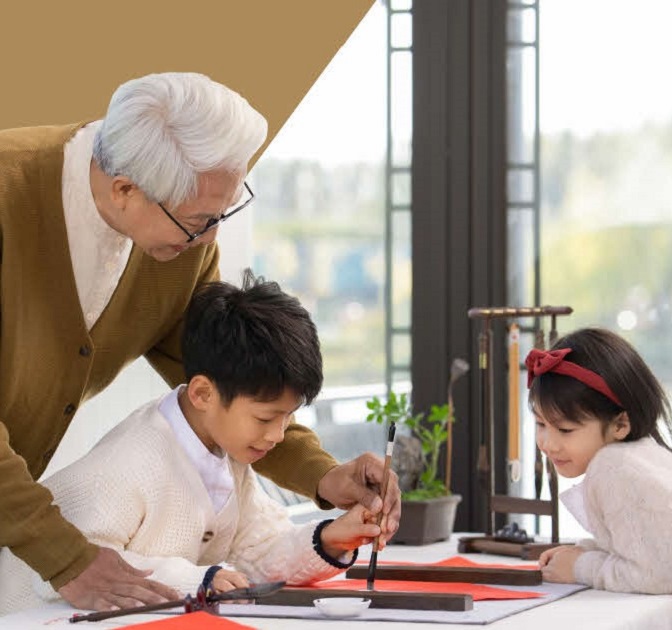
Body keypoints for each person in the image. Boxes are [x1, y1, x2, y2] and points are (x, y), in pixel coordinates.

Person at [0, 72, 400, 612]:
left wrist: (324, 476)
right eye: (197, 222)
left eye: (222, 213)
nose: (208, 239)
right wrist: (69, 558)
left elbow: (233, 371)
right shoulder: (9, 196)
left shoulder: (180, 239)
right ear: (125, 190)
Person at [0, 271, 383, 614]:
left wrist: (331, 538)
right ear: (202, 394)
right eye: (266, 418)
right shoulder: (128, 463)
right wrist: (196, 580)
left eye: (288, 417)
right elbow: (72, 567)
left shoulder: (227, 454)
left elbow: (257, 552)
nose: (279, 435)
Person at [526, 328, 672, 595]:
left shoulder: (615, 468)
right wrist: (589, 549)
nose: (547, 444)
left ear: (620, 424)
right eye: (541, 424)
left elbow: (660, 574)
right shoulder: (644, 455)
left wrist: (579, 566)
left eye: (565, 430)